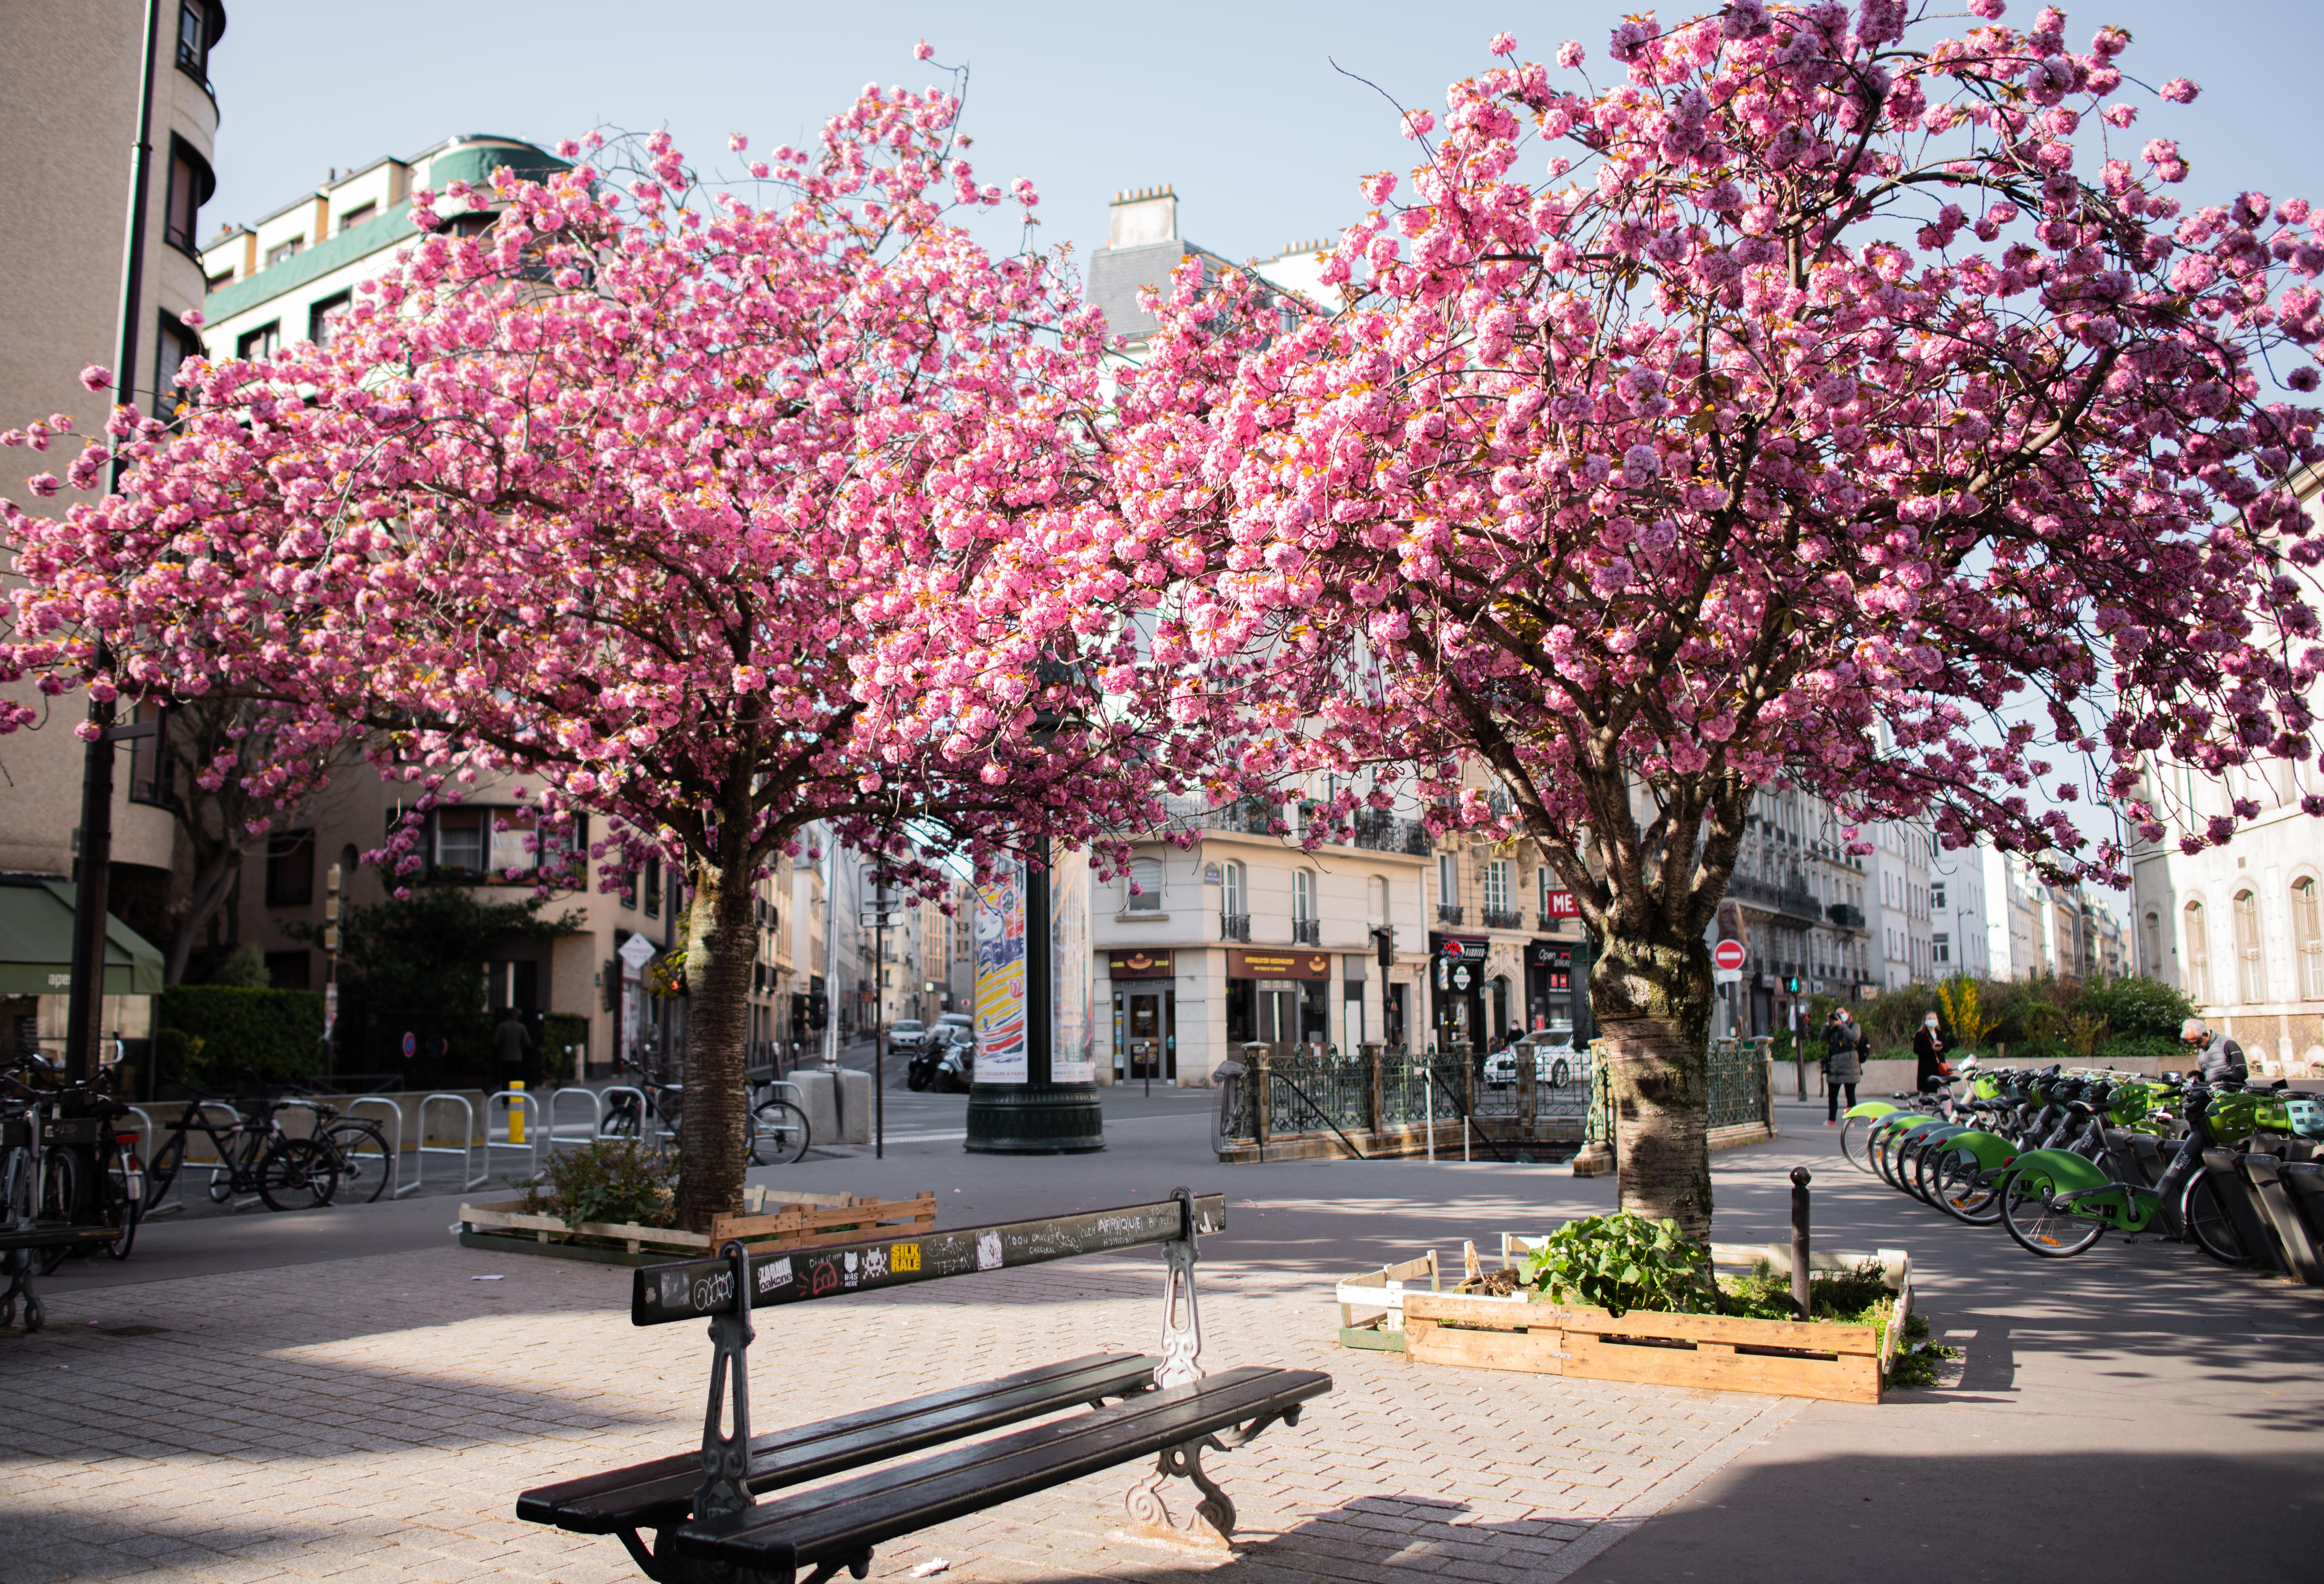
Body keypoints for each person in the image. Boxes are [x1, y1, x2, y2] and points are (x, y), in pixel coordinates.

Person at [1824, 1008, 1863, 1125]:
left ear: (1848, 1013)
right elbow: (1822, 1037)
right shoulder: (1834, 1028)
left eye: (1842, 1013)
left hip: (1850, 1065)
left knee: (1850, 1095)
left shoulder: (1854, 1025)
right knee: (1832, 1095)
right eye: (1837, 1014)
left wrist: (1842, 1026)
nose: (1840, 1015)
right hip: (1834, 1065)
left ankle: (1851, 1121)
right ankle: (1831, 1121)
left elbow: (1854, 1037)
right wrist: (1828, 1024)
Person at [2181, 1018, 2249, 1085]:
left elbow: (2242, 1073)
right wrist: (2197, 1076)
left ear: (2205, 1034)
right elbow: (2209, 1078)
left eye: (2198, 1042)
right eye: (2192, 1043)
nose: (2196, 1046)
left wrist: (2221, 1080)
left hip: (2229, 1090)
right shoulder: (2202, 1051)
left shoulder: (2227, 1044)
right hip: (2212, 1090)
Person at [1913, 1012, 1952, 1094]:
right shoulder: (1920, 1035)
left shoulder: (1940, 1034)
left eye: (1934, 1019)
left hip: (1940, 1067)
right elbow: (1917, 1050)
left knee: (1945, 1091)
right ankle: (1922, 1104)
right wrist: (1932, 1049)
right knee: (1925, 1093)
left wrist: (1941, 1045)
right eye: (1930, 1019)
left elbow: (1948, 1048)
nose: (1933, 1021)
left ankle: (1946, 1103)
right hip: (1927, 1068)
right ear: (1925, 1022)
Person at [493, 1009, 534, 1087]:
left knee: (505, 1079)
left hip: (504, 1057)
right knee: (516, 1079)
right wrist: (521, 1049)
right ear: (517, 1016)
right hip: (517, 1057)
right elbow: (528, 1043)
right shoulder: (522, 1027)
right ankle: (515, 1093)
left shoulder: (501, 1027)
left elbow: (495, 1042)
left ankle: (505, 1094)